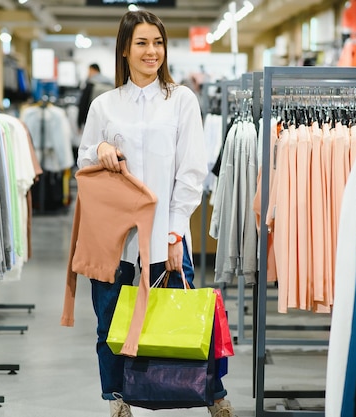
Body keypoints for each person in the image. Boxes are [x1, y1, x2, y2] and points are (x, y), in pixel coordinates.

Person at [74, 9, 238, 417]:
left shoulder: (181, 100)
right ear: (125, 50)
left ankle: (212, 393)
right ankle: (116, 400)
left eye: (158, 42)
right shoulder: (105, 105)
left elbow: (191, 171)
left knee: (184, 315)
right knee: (109, 321)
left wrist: (175, 233)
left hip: (166, 232)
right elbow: (82, 157)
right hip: (114, 239)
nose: (152, 51)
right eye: (142, 43)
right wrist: (100, 150)